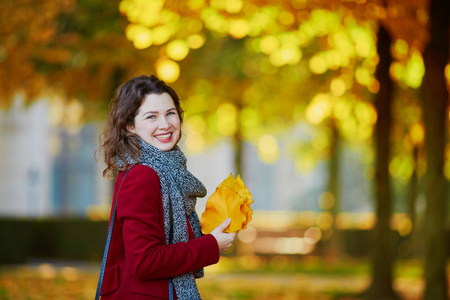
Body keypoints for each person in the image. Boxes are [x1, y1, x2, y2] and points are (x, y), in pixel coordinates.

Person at [96, 74, 236, 300]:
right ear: (130, 125)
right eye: (151, 117)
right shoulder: (143, 175)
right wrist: (211, 245)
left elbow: (167, 238)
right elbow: (145, 261)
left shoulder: (163, 169)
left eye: (170, 113)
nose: (165, 124)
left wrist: (210, 231)